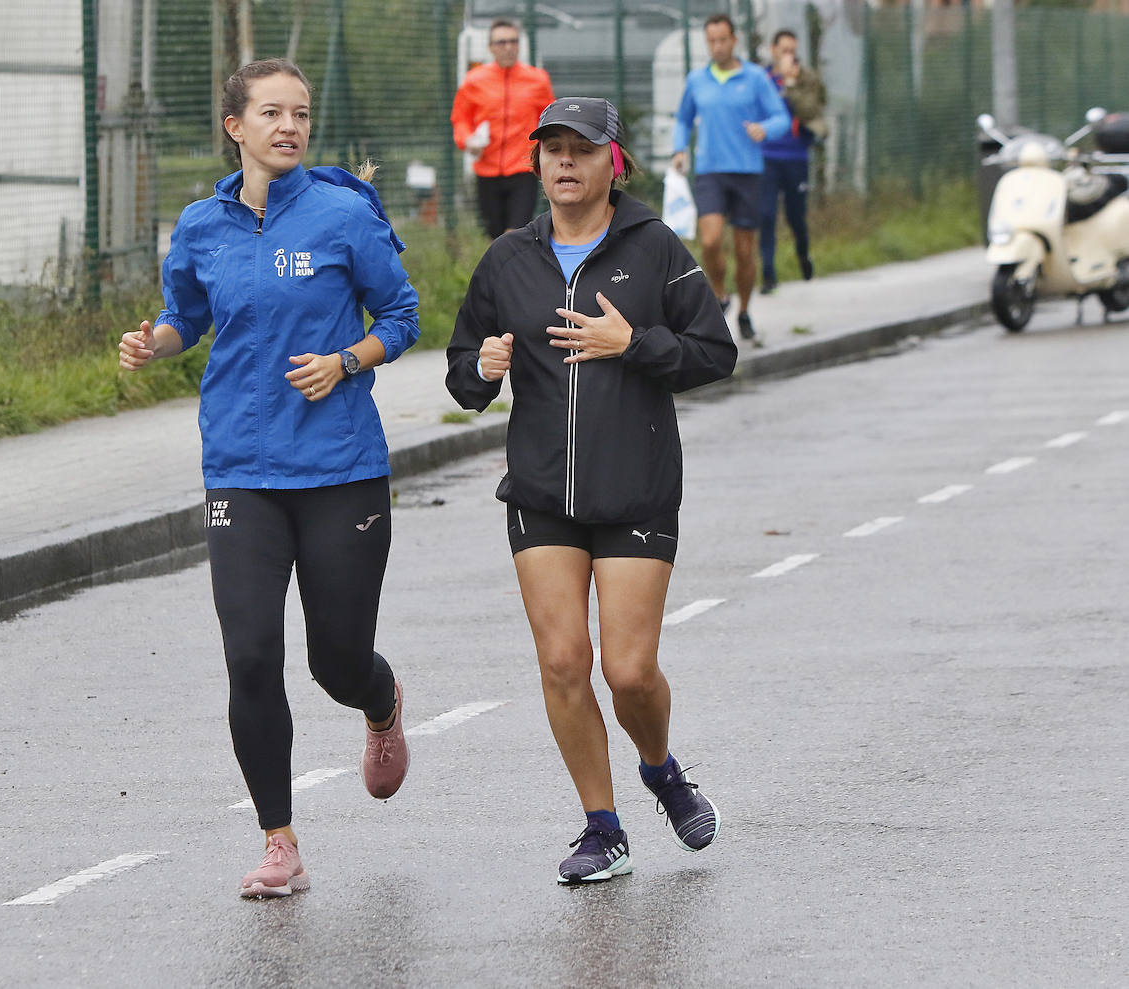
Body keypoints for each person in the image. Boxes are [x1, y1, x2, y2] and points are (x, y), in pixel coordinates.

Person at [117, 58, 420, 900]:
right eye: (272, 113)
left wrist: (348, 360)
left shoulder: (341, 215)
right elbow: (186, 314)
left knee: (334, 660)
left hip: (339, 470)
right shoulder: (201, 224)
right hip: (241, 471)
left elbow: (402, 315)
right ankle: (279, 841)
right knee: (250, 655)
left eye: (301, 114)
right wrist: (156, 343)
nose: (289, 126)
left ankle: (380, 694)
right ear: (235, 127)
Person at [446, 97, 737, 884]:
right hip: (541, 490)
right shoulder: (509, 258)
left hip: (637, 486)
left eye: (582, 148)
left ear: (615, 161)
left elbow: (716, 352)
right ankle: (601, 826)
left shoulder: (654, 248)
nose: (565, 162)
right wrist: (481, 371)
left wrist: (632, 343)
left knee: (630, 672)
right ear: (536, 164)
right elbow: (462, 366)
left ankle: (661, 769)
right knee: (564, 660)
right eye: (553, 150)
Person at [671, 13, 790, 345]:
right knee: (709, 241)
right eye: (712, 41)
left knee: (744, 251)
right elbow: (683, 119)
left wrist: (764, 129)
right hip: (710, 171)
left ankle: (745, 311)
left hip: (748, 173)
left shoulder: (754, 78)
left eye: (723, 39)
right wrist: (679, 149)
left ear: (734, 40)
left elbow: (781, 116)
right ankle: (720, 294)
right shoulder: (697, 80)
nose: (718, 46)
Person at [451, 18, 555, 239]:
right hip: (486, 171)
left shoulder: (537, 80)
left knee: (513, 234)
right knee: (495, 238)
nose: (508, 47)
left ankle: (517, 272)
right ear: (490, 47)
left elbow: (549, 121)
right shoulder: (474, 80)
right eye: (501, 42)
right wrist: (467, 140)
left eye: (513, 41)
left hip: (523, 169)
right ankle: (505, 273)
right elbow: (460, 119)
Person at [759, 29, 827, 294]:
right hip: (767, 155)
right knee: (766, 214)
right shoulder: (762, 78)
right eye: (784, 50)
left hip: (796, 155)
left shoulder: (805, 78)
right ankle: (768, 273)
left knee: (795, 215)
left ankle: (803, 254)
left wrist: (790, 84)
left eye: (792, 51)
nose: (789, 55)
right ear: (773, 50)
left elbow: (812, 110)